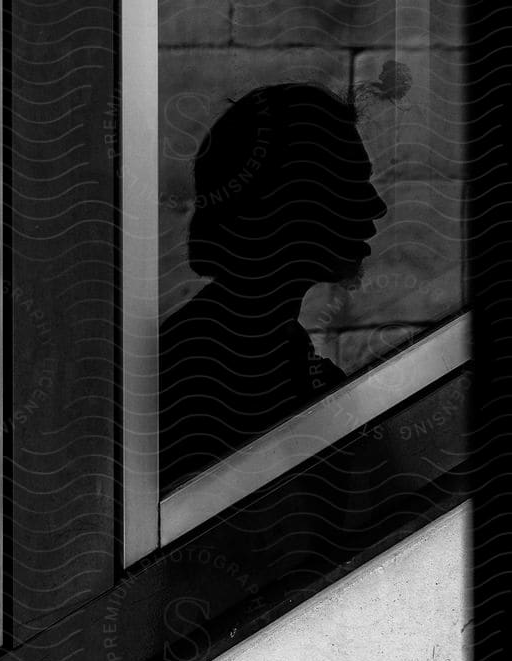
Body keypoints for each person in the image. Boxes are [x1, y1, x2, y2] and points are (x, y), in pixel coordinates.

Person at [160, 82, 388, 491]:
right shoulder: (204, 376)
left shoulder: (264, 358)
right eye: (351, 182)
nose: (375, 205)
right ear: (294, 203)